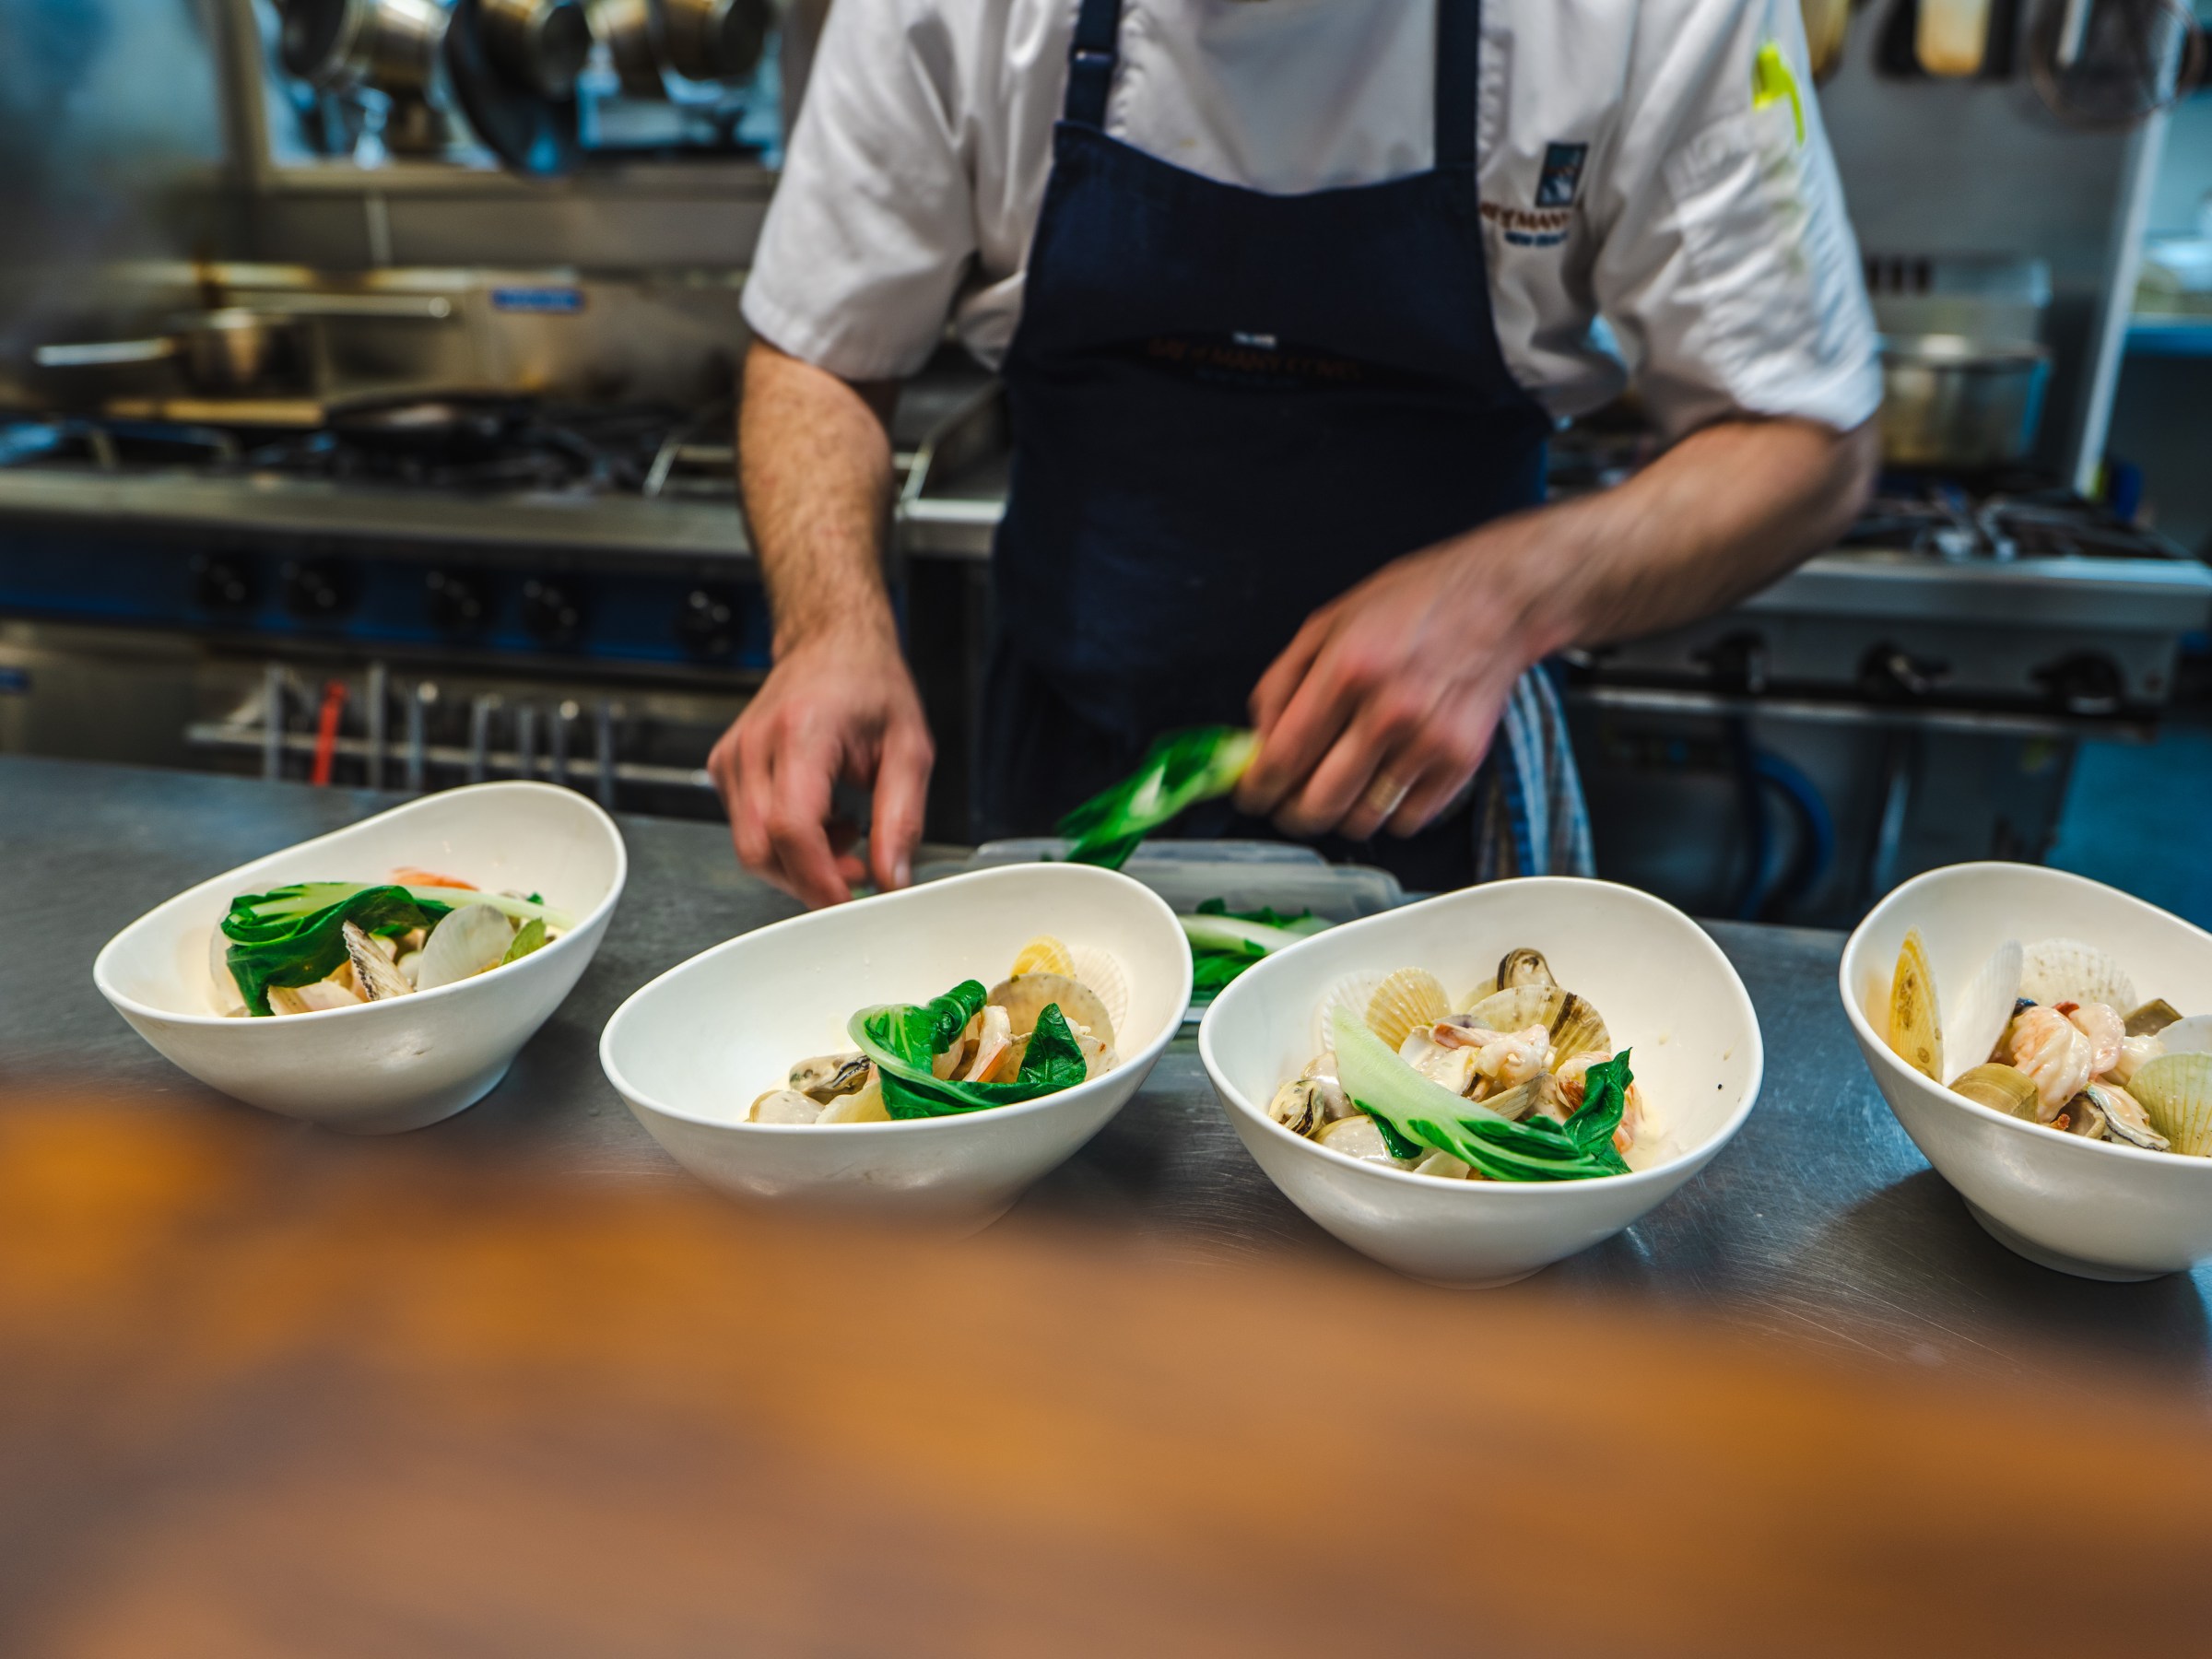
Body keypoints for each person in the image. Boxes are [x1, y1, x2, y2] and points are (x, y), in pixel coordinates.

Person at [710, 0, 1881, 907]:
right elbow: (822, 351)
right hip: (1066, 745)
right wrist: (830, 629)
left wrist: (1505, 594)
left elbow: (1804, 442)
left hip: (1437, 784)